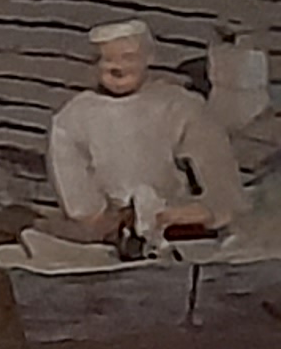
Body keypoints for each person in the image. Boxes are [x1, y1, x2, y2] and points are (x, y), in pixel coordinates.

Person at [45, 19, 245, 248]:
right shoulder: (71, 118)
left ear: (148, 58)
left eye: (128, 57)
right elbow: (81, 206)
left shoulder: (182, 107)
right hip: (110, 238)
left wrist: (179, 216)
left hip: (186, 232)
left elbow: (223, 190)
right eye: (107, 59)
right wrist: (117, 223)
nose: (117, 67)